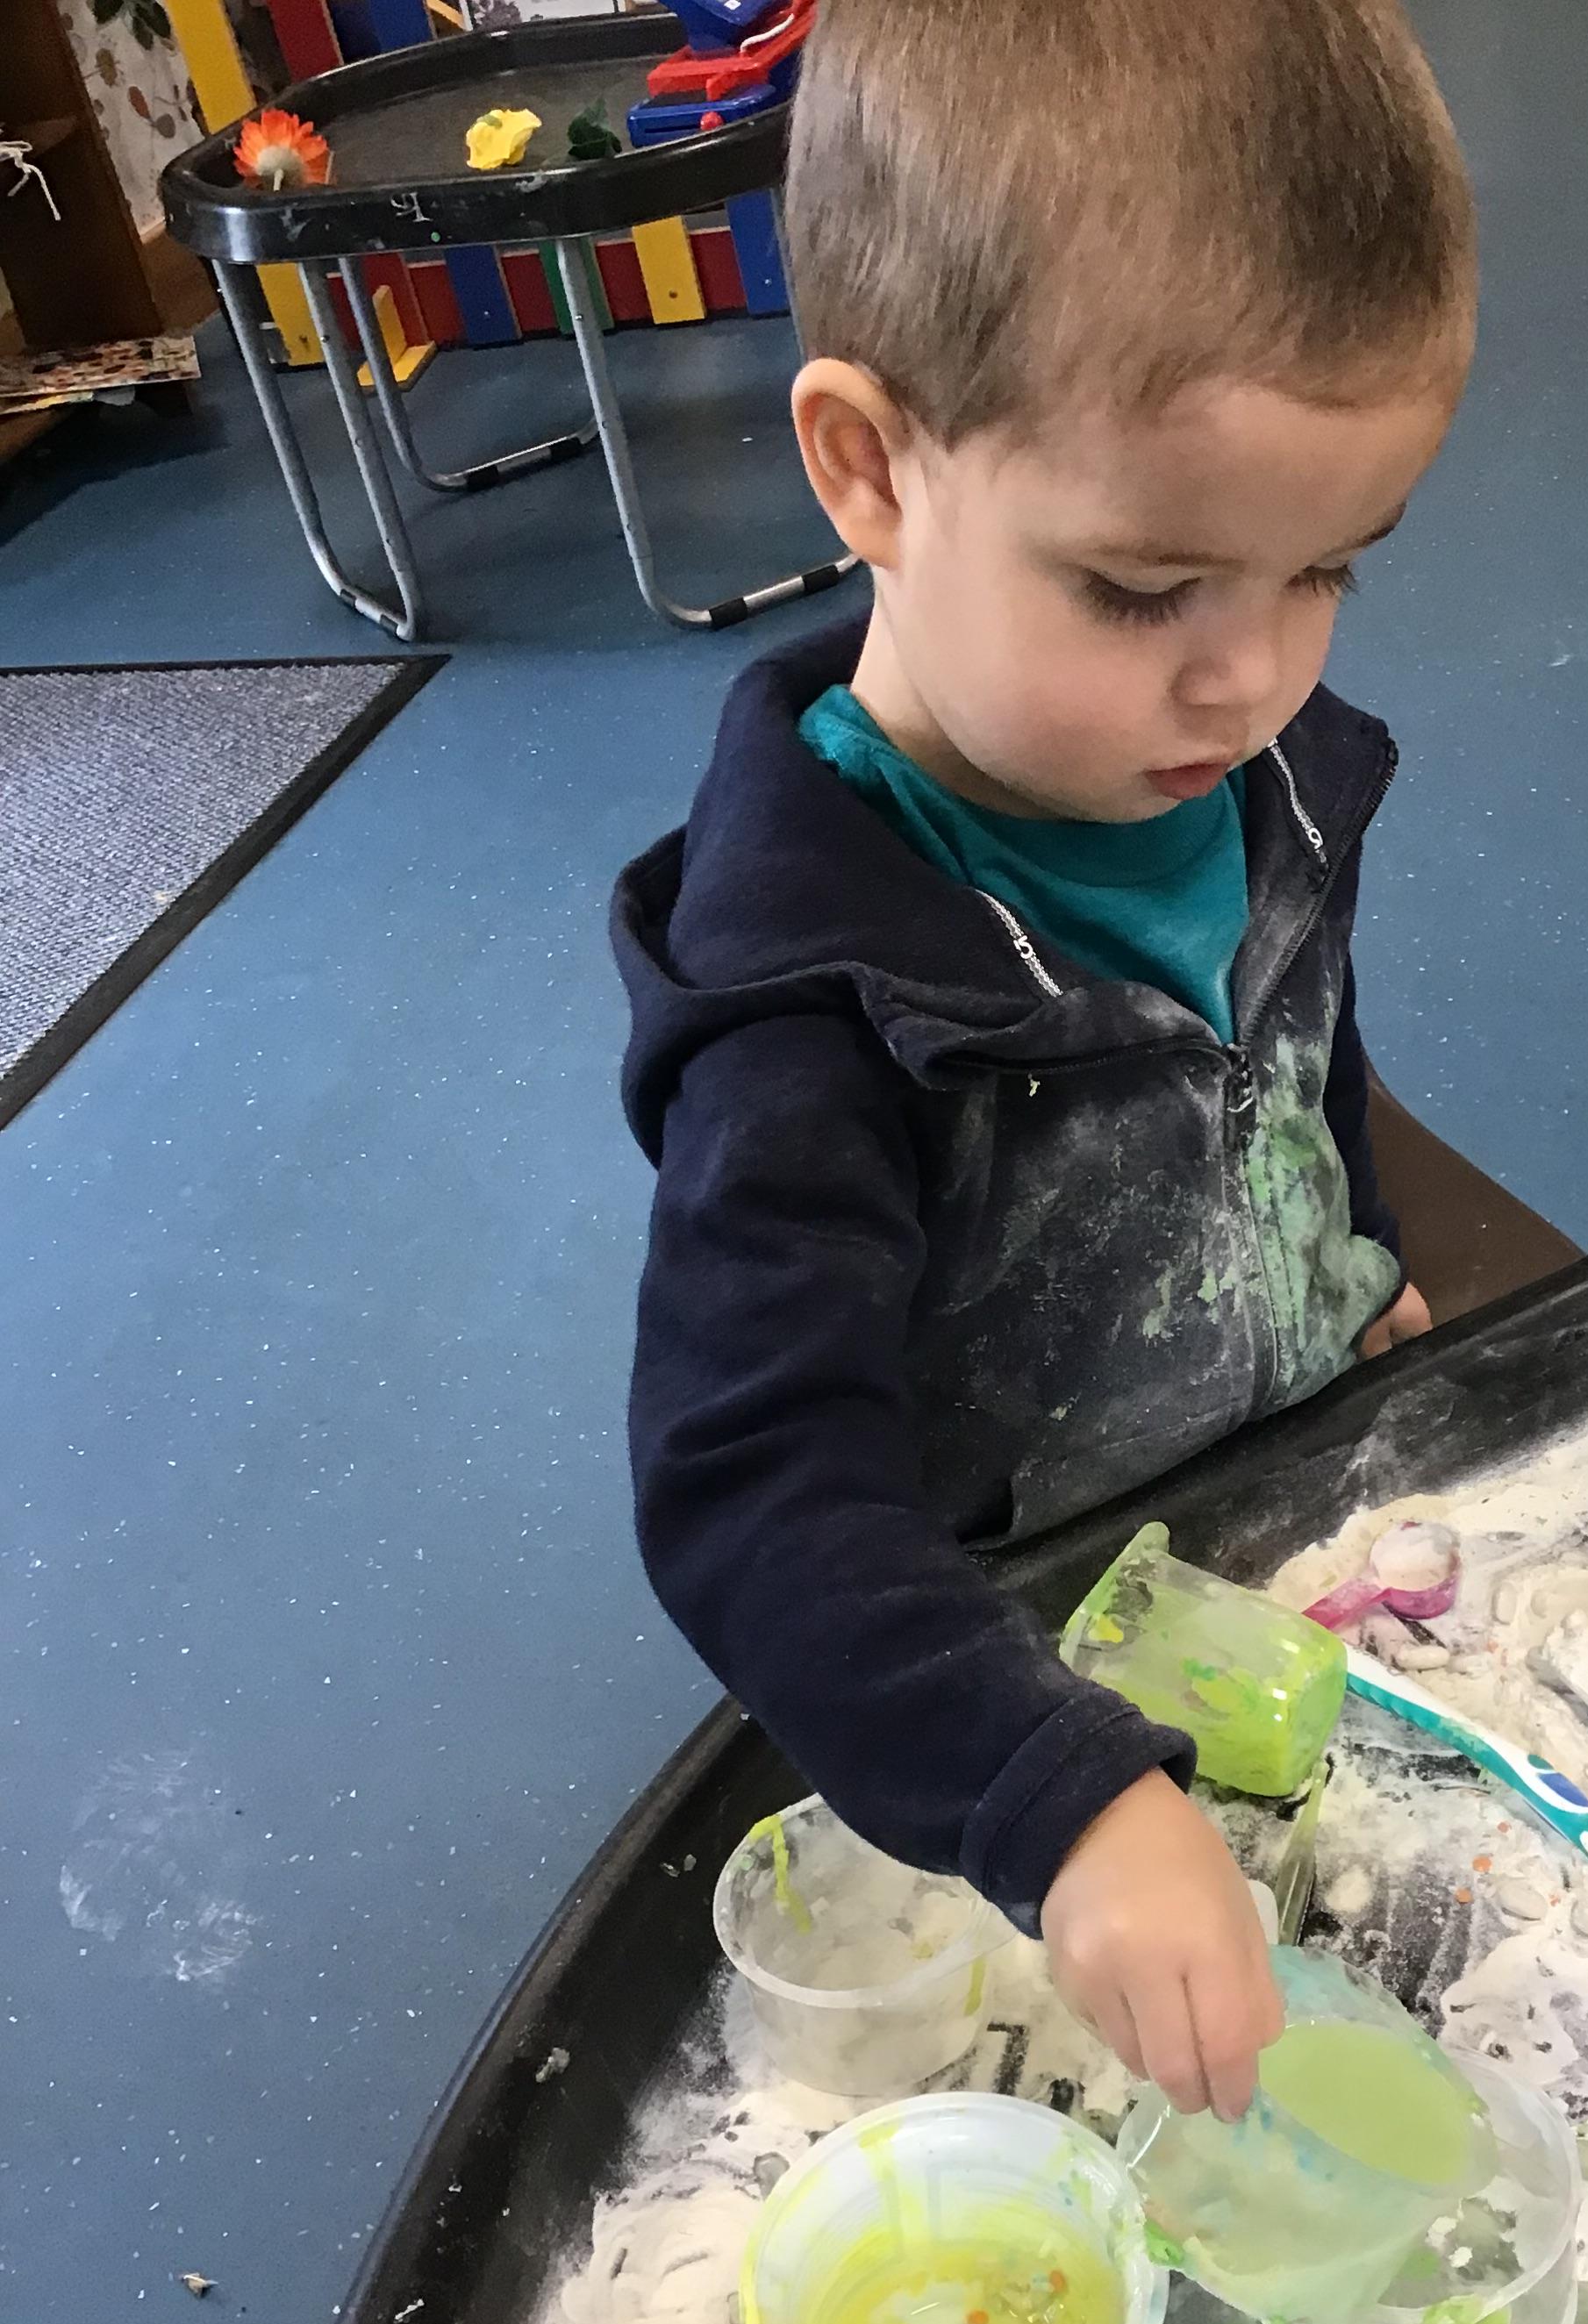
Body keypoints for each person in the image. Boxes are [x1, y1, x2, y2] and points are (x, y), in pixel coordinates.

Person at [614, 0, 1477, 2125]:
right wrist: (1054, 1799)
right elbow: (751, 1497)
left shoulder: (1255, 770)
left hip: (1262, 1546)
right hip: (1002, 1697)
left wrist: (1342, 1250)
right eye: (1144, 587)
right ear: (868, 468)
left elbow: (1295, 1044)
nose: (1251, 674)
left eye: (1326, 567)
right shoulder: (809, 1017)